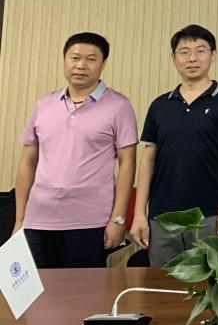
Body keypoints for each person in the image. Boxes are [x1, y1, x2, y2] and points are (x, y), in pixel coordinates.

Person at [13, 32, 137, 268]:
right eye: (75, 58)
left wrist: (118, 219)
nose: (81, 65)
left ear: (103, 64)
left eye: (91, 59)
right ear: (64, 60)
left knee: (83, 290)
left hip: (90, 223)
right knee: (38, 289)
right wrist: (20, 220)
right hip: (38, 220)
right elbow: (28, 161)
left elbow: (128, 164)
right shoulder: (44, 104)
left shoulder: (119, 106)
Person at [130, 25, 218, 266]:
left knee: (213, 282)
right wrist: (140, 214)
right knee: (163, 284)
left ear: (213, 55)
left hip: (211, 213)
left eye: (200, 50)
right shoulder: (160, 105)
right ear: (173, 58)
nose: (192, 58)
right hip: (164, 216)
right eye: (184, 52)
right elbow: (148, 160)